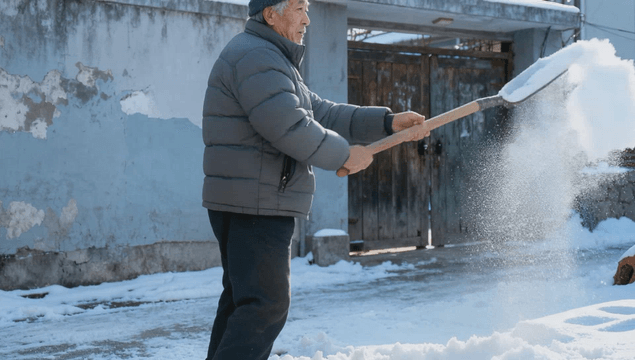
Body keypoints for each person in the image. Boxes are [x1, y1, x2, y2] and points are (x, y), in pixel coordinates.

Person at [201, 0, 429, 358]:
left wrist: (385, 122)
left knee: (243, 303)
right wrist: (344, 154)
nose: (307, 18)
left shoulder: (269, 56)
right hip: (256, 204)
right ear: (270, 14)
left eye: (307, 8)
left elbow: (319, 111)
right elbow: (288, 125)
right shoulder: (257, 57)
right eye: (298, 7)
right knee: (265, 305)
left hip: (251, 198)